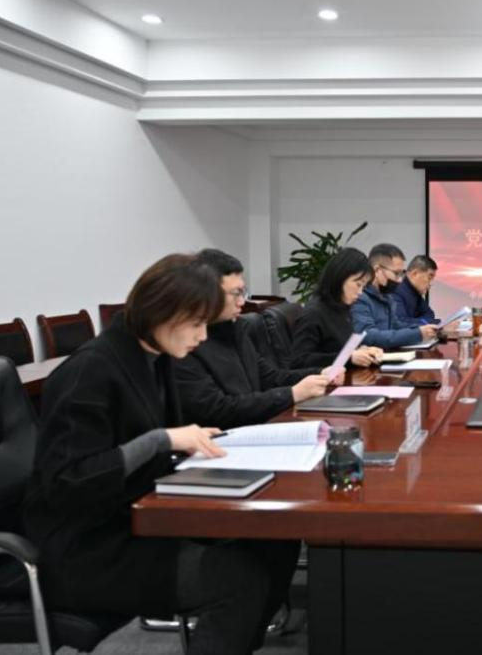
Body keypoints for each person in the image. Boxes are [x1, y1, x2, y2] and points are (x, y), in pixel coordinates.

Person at [23, 254, 299, 655]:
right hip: (86, 547)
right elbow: (70, 482)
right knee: (237, 580)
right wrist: (161, 441)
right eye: (196, 323)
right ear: (163, 312)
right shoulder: (90, 371)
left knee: (276, 541)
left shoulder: (153, 356)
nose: (203, 336)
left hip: (138, 515)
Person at [174, 249, 339, 429]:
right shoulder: (185, 345)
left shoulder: (237, 329)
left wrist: (320, 373)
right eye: (235, 293)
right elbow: (217, 410)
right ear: (207, 293)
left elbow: (270, 378)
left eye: (243, 292)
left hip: (255, 427)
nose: (242, 302)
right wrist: (292, 394)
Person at [291, 247, 384, 368]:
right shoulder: (314, 314)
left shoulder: (342, 308)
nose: (360, 292)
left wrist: (363, 350)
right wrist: (348, 357)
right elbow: (299, 361)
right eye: (358, 284)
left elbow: (339, 347)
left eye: (363, 286)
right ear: (340, 278)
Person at [352, 243, 441, 350]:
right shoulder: (360, 297)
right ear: (377, 270)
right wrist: (418, 333)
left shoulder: (387, 297)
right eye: (396, 273)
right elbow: (368, 336)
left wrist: (425, 329)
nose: (399, 280)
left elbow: (396, 325)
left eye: (401, 274)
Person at [393, 254, 439, 326]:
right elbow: (401, 322)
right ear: (414, 274)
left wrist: (418, 321)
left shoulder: (415, 291)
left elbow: (429, 314)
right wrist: (431, 323)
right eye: (429, 278)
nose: (431, 284)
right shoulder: (395, 289)